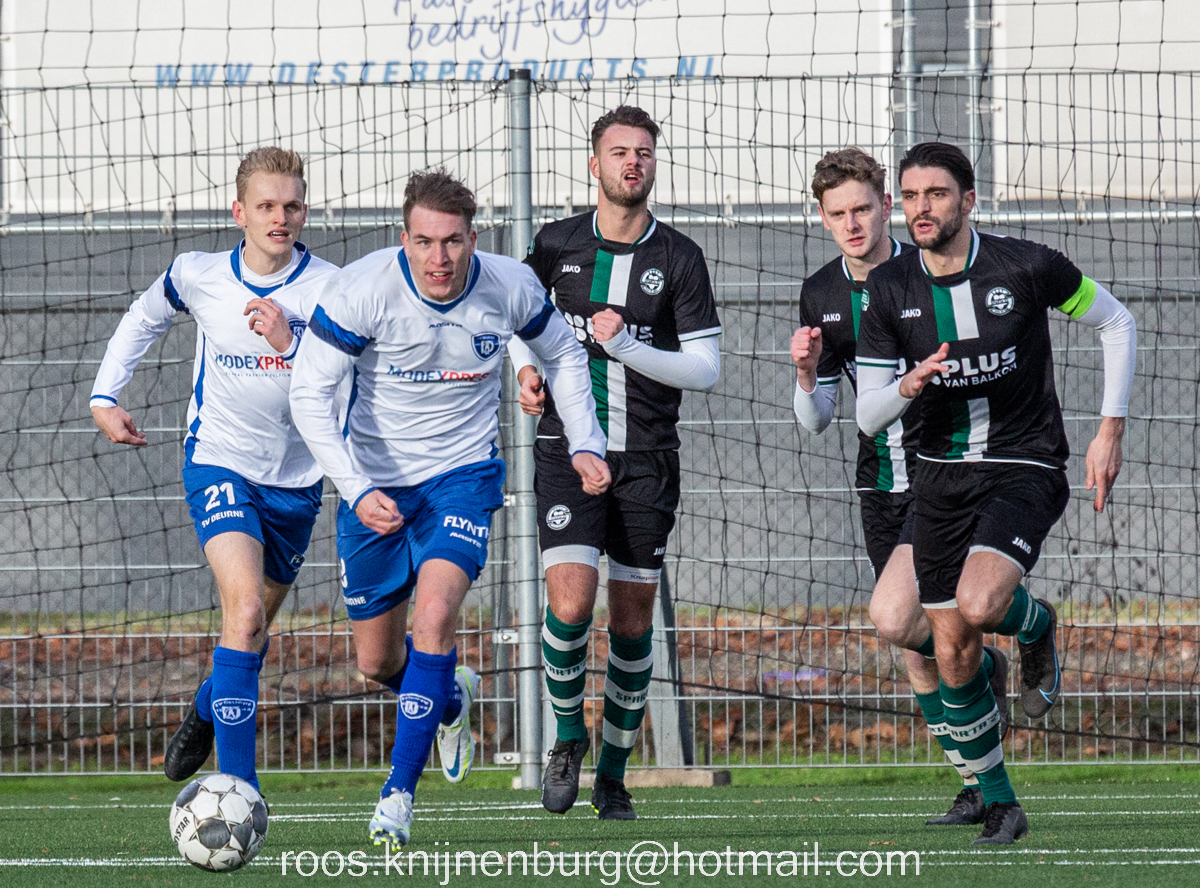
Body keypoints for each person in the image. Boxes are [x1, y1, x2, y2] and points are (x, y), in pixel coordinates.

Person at [289, 168, 610, 846]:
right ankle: (449, 696)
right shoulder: (360, 290)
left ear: (474, 239)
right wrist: (356, 488)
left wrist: (585, 442)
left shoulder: (509, 286)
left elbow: (563, 354)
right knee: (377, 663)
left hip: (461, 479)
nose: (440, 258)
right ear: (403, 238)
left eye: (454, 241)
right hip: (374, 485)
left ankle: (397, 798)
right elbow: (308, 396)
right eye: (425, 241)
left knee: (435, 617)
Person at [856, 142, 1136, 844]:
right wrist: (905, 386)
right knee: (928, 637)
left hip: (1024, 464)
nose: (922, 208)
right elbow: (866, 414)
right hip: (938, 477)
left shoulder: (1027, 266)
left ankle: (1033, 626)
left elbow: (1116, 322)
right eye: (911, 196)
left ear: (969, 200)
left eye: (936, 194)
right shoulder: (888, 289)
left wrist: (1109, 431)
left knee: (978, 607)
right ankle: (1001, 798)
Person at [90, 147, 339, 792]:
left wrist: (292, 342)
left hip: (297, 482)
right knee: (246, 611)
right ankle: (238, 793)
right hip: (219, 462)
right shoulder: (197, 273)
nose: (279, 217)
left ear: (304, 212)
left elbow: (352, 376)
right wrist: (105, 396)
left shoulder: (332, 288)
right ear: (239, 212)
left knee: (249, 633)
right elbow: (143, 318)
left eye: (291, 206)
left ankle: (208, 704)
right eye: (266, 205)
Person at [508, 105, 722, 821]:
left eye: (644, 152)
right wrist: (526, 370)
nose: (633, 162)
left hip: (648, 459)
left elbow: (706, 369)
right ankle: (568, 737)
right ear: (594, 164)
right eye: (620, 151)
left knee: (631, 625)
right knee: (570, 606)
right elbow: (519, 319)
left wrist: (625, 345)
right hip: (567, 451)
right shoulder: (556, 243)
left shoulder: (680, 258)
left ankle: (613, 776)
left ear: (654, 165)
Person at [790, 146, 1007, 828]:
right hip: (881, 482)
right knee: (916, 645)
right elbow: (818, 419)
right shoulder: (822, 294)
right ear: (822, 218)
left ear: (887, 206)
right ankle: (975, 782)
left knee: (905, 619)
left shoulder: (929, 270)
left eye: (862, 209)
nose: (852, 224)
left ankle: (992, 673)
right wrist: (805, 375)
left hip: (944, 474)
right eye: (838, 214)